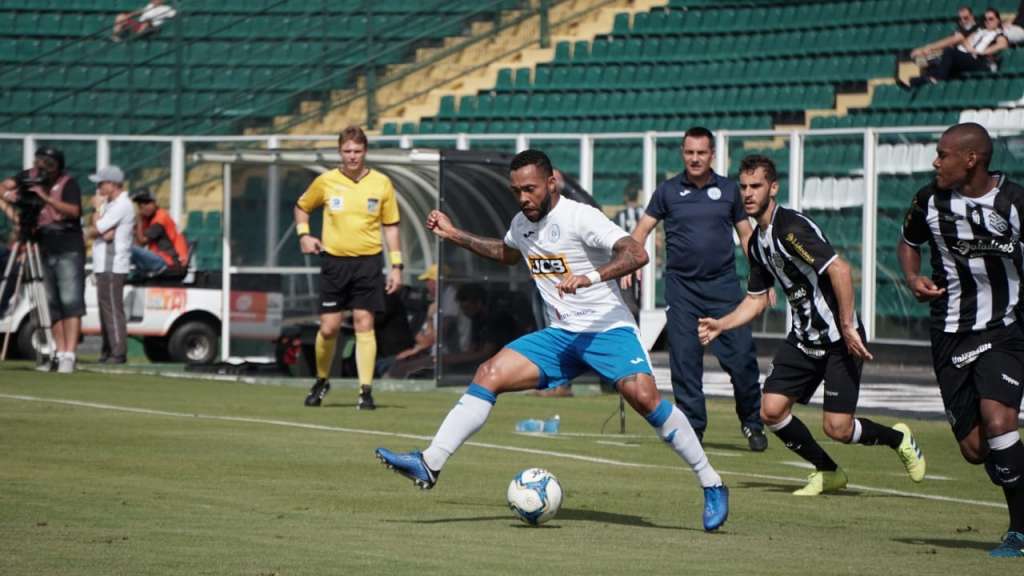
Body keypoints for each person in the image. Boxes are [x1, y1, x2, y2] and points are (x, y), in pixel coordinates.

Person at [375, 149, 730, 531]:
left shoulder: (580, 217)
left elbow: (636, 252)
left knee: (646, 399)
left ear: (551, 183)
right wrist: (454, 234)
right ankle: (429, 463)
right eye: (516, 191)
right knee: (489, 372)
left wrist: (590, 277)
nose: (524, 198)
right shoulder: (522, 223)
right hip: (562, 336)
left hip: (607, 329)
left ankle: (712, 482)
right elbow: (508, 253)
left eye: (530, 189)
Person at [699, 155, 926, 496]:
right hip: (804, 339)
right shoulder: (756, 243)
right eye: (743, 187)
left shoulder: (790, 230)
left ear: (773, 188)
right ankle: (828, 471)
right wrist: (722, 325)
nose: (748, 193)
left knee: (838, 428)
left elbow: (841, 270)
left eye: (756, 186)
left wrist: (847, 326)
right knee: (770, 410)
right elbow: (758, 299)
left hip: (838, 339)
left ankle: (899, 438)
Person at [897, 123, 1024, 557]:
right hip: (949, 333)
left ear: (971, 159)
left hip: (1003, 329)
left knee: (999, 420)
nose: (936, 162)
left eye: (943, 154)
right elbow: (908, 241)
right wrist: (913, 277)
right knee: (975, 449)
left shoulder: (1014, 201)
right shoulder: (928, 199)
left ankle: (1019, 531)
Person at [629, 126, 766, 451]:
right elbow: (642, 229)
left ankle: (752, 422)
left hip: (724, 289)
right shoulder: (667, 191)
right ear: (682, 153)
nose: (694, 158)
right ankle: (693, 428)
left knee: (742, 360)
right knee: (685, 362)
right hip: (682, 291)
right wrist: (629, 261)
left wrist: (762, 277)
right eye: (689, 152)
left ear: (712, 155)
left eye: (701, 153)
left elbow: (747, 236)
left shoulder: (730, 191)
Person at [295, 125, 403, 410]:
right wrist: (304, 235)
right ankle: (321, 380)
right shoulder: (326, 181)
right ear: (340, 152)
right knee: (329, 328)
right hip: (334, 262)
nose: (352, 156)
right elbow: (302, 207)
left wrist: (396, 266)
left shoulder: (381, 183)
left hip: (368, 262)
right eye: (347, 151)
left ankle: (365, 390)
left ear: (365, 151)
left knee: (363, 323)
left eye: (357, 151)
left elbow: (391, 227)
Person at [1, 147, 85, 374]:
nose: (42, 169)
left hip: (67, 246)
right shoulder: (30, 177)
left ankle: (69, 354)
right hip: (42, 245)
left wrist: (45, 198)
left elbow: (74, 211)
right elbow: (4, 188)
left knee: (70, 301)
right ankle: (57, 351)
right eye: (40, 163)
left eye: (48, 164)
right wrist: (13, 206)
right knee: (51, 304)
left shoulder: (68, 184)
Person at [86, 166, 135, 364]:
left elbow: (98, 229)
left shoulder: (122, 205)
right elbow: (99, 230)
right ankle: (108, 350)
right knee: (105, 308)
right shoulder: (112, 204)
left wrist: (96, 210)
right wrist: (98, 223)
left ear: (112, 184)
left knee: (113, 308)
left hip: (113, 264)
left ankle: (118, 351)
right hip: (104, 264)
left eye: (101, 183)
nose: (98, 188)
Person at [908, 7, 1009, 87]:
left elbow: (1002, 45)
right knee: (930, 69)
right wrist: (965, 45)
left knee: (949, 52)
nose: (987, 21)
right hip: (967, 57)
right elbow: (967, 43)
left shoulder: (999, 35)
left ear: (998, 20)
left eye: (991, 19)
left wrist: (981, 52)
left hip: (979, 61)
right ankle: (916, 82)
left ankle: (938, 79)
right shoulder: (980, 31)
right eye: (985, 19)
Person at [377, 264, 438, 379]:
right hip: (422, 351)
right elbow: (426, 336)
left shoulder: (442, 307)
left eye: (429, 281)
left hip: (431, 355)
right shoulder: (431, 306)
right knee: (385, 364)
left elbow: (432, 339)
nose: (427, 285)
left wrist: (413, 350)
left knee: (388, 367)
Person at [131, 188, 188, 279]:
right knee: (126, 249)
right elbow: (138, 244)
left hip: (170, 261)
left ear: (154, 203)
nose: (144, 207)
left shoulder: (160, 218)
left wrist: (139, 222)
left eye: (147, 203)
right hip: (164, 259)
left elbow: (142, 241)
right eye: (140, 205)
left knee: (127, 248)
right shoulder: (149, 218)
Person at [909, 5, 978, 67]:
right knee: (918, 57)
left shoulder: (974, 27)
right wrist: (927, 51)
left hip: (966, 58)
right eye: (960, 19)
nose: (963, 21)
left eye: (965, 18)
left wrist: (929, 47)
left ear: (972, 16)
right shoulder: (962, 29)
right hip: (952, 55)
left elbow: (952, 41)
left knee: (922, 59)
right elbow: (950, 43)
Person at [112, 0, 177, 42]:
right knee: (120, 16)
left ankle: (134, 38)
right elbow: (141, 11)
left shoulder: (166, 8)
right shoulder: (150, 6)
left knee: (147, 21)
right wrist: (128, 15)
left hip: (151, 27)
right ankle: (115, 36)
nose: (153, 1)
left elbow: (176, 14)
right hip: (139, 24)